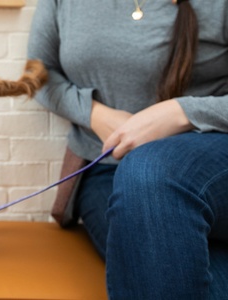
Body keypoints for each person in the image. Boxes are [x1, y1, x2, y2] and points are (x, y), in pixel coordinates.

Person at [27, 0, 228, 299]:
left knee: (148, 172)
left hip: (214, 154)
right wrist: (96, 115)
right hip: (107, 171)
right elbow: (39, 75)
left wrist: (180, 113)